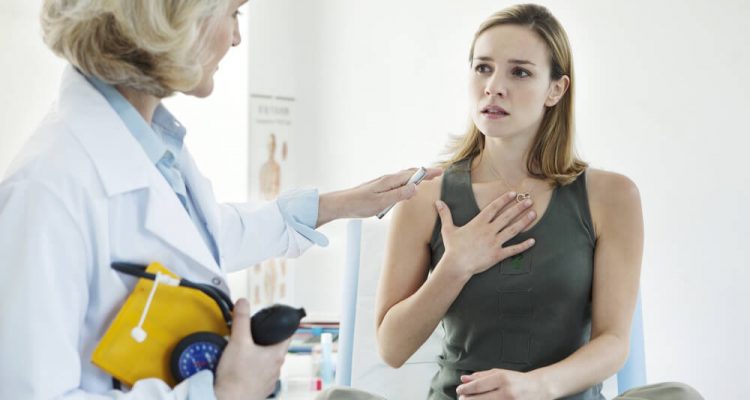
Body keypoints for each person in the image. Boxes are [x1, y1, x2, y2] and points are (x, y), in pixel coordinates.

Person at [0, 0, 440, 399]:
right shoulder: (46, 191)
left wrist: (338, 205)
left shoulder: (151, 145)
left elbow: (200, 240)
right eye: (233, 13)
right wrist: (224, 392)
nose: (236, 38)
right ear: (174, 18)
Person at [374, 4, 703, 400]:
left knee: (678, 395)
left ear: (556, 89)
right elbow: (392, 349)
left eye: (520, 72)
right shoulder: (424, 198)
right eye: (483, 68)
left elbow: (614, 340)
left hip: (560, 395)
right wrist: (455, 266)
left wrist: (536, 386)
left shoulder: (613, 197)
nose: (494, 86)